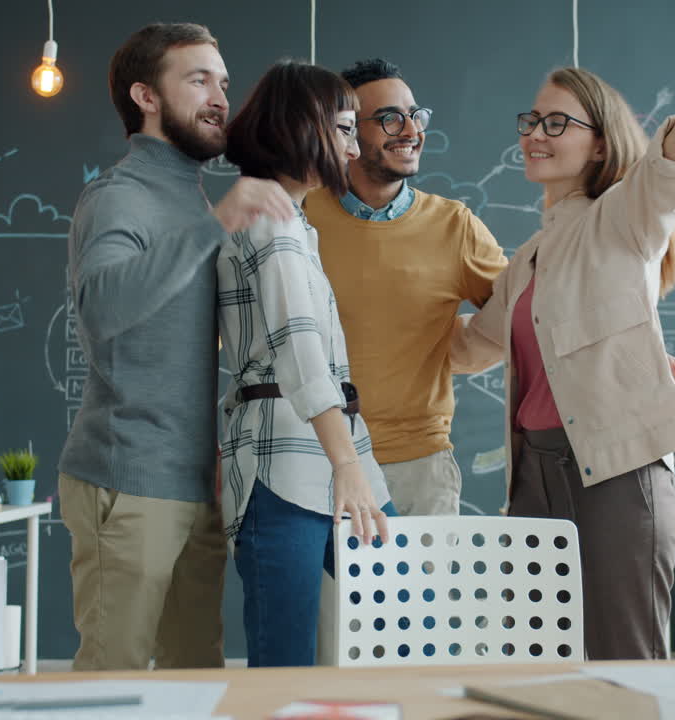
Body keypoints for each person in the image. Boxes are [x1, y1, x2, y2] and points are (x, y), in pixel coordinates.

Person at [453, 10, 675, 660]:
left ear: (600, 143)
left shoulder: (623, 216)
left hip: (616, 473)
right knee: (537, 667)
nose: (536, 135)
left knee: (625, 667)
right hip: (533, 477)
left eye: (558, 123)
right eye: (532, 122)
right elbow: (468, 350)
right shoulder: (526, 261)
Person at [58, 22, 293, 671]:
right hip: (128, 482)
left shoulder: (189, 197)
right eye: (198, 80)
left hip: (196, 483)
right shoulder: (117, 198)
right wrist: (215, 223)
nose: (220, 96)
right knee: (115, 680)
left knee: (196, 673)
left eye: (222, 80)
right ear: (146, 96)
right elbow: (103, 308)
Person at [217, 59, 394, 668]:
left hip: (327, 452)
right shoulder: (272, 222)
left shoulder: (295, 222)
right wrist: (347, 461)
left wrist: (349, 458)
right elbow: (298, 351)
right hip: (285, 461)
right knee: (285, 659)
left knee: (401, 629)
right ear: (305, 127)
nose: (353, 145)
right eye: (344, 128)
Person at [304, 59, 508, 516]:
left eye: (416, 116)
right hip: (310, 464)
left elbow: (523, 317)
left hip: (419, 468)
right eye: (391, 118)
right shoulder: (298, 217)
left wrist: (451, 347)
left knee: (421, 592)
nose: (411, 131)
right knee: (321, 593)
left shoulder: (454, 225)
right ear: (347, 132)